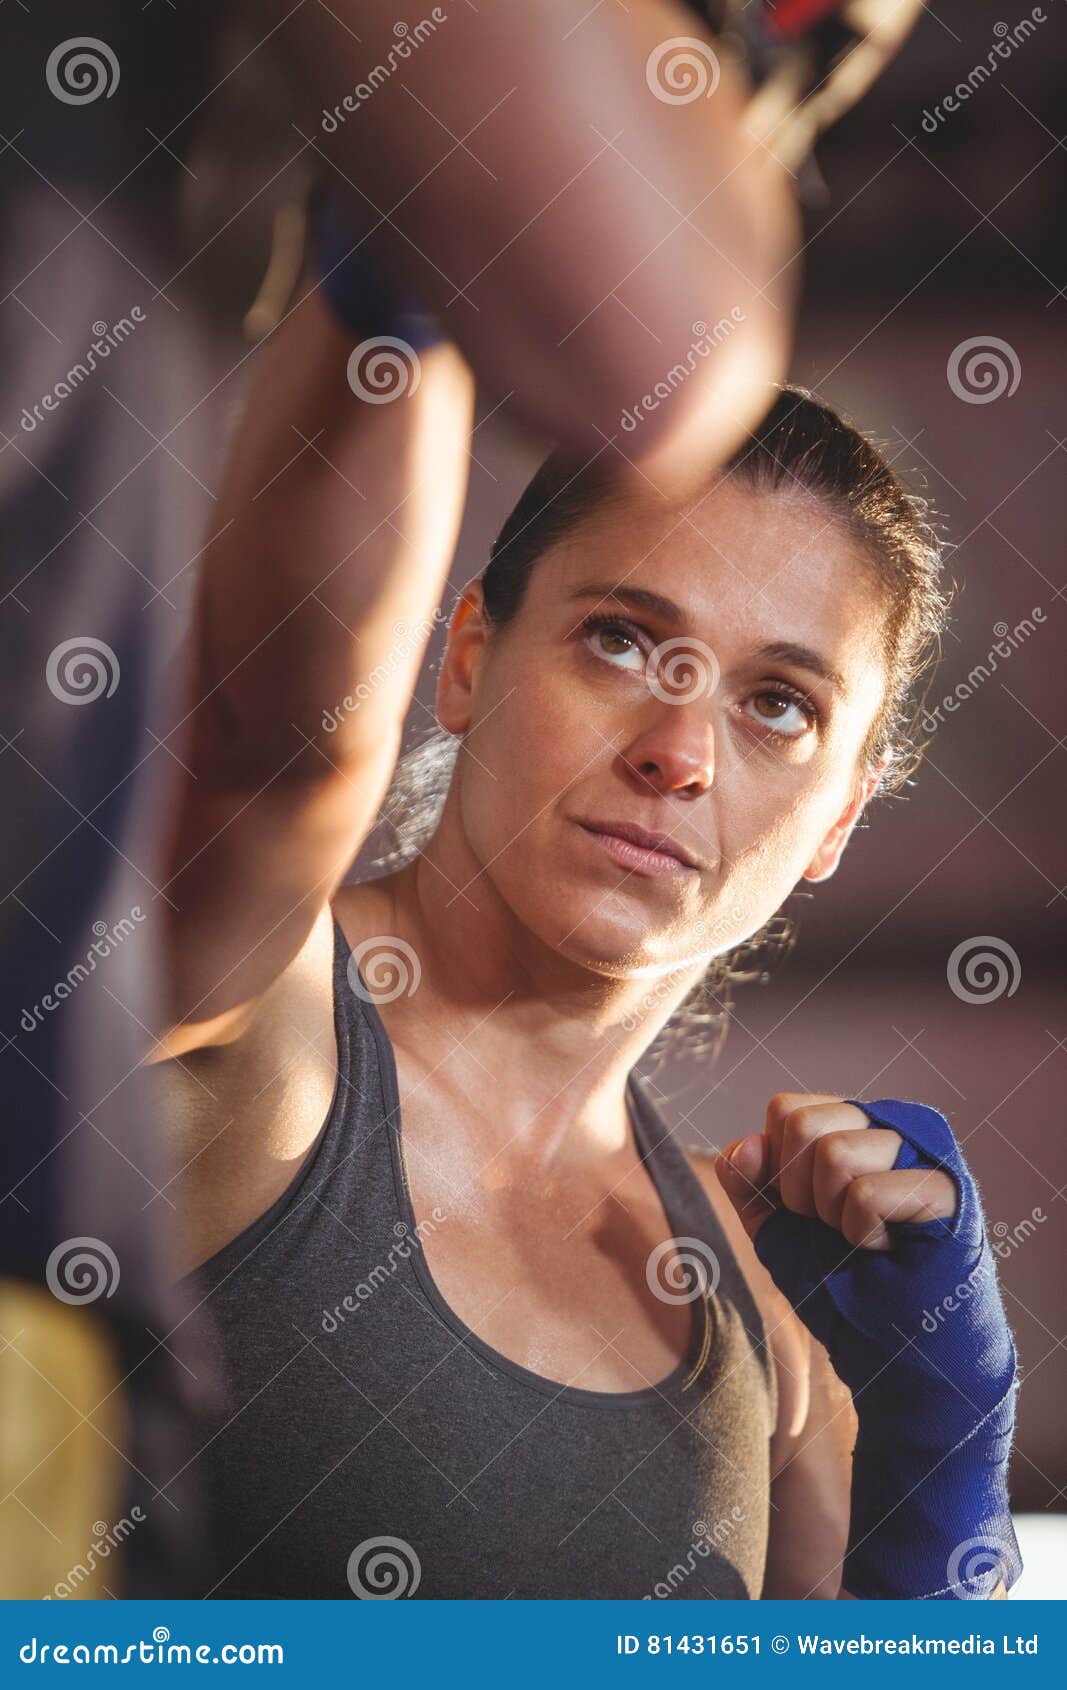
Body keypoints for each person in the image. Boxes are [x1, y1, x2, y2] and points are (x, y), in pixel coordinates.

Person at [148, 243, 1020, 1595]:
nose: (681, 748)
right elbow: (269, 739)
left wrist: (939, 1461)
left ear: (839, 820)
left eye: (776, 702)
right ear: (467, 660)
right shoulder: (262, 1018)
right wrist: (394, 256)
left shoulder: (769, 1328)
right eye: (621, 637)